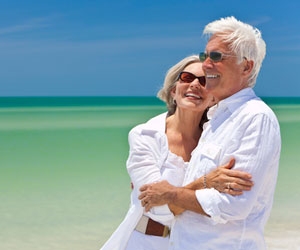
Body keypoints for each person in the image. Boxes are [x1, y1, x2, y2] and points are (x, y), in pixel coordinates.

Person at [139, 16, 281, 250]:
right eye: (205, 56)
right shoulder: (215, 119)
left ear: (246, 66)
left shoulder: (255, 117)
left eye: (216, 57)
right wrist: (202, 183)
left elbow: (234, 206)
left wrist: (170, 194)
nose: (205, 64)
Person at [100, 55, 253, 250]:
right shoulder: (145, 135)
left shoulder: (216, 141)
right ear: (173, 91)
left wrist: (170, 194)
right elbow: (157, 209)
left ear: (214, 97)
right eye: (187, 78)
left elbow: (225, 202)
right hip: (145, 242)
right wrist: (206, 183)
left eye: (205, 81)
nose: (195, 84)